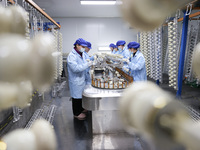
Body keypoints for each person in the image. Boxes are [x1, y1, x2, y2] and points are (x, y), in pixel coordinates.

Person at [67, 38, 93, 120]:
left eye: (84, 47)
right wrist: (87, 64)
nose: (84, 48)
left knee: (81, 96)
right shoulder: (72, 56)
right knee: (76, 98)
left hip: (83, 79)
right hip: (76, 80)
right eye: (82, 46)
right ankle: (76, 113)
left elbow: (85, 63)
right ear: (77, 45)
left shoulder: (82, 53)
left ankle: (81, 109)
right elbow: (75, 68)